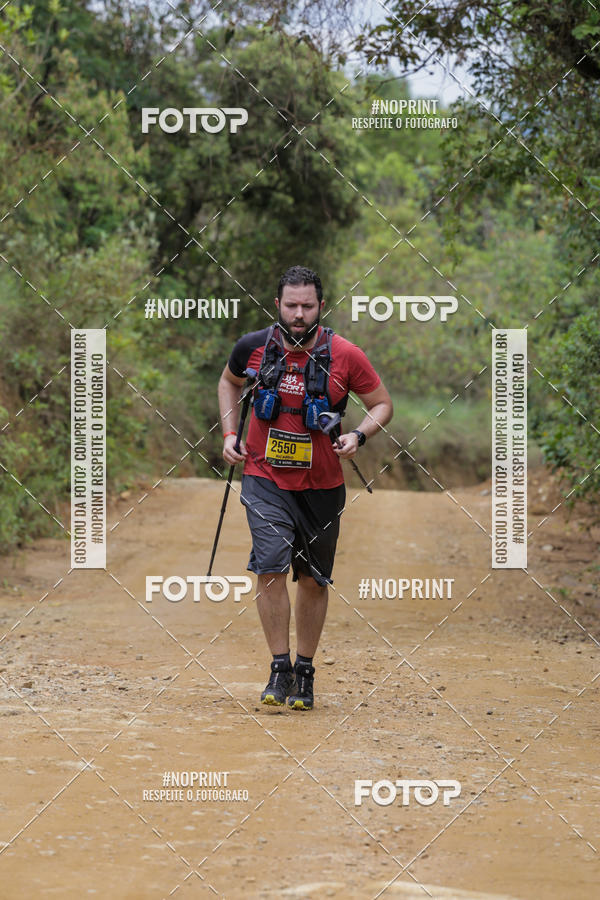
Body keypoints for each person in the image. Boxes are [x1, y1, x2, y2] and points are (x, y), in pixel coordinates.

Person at [218, 265, 393, 710]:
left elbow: (381, 404)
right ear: (277, 304)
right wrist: (229, 434)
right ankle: (279, 668)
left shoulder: (346, 355)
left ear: (320, 306)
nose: (298, 314)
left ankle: (305, 670)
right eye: (291, 305)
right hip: (263, 476)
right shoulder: (252, 347)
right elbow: (228, 382)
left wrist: (359, 436)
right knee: (271, 566)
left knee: (314, 580)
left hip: (323, 483)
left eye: (307, 306)